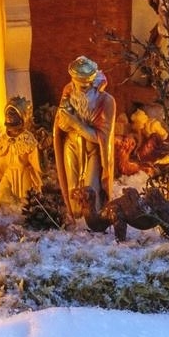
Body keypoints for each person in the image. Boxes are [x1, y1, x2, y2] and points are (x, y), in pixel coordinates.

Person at [53, 56, 117, 225]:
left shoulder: (105, 101)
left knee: (91, 191)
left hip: (93, 150)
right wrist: (65, 123)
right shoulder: (69, 91)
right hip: (72, 146)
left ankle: (93, 221)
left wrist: (75, 123)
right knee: (73, 187)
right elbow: (62, 125)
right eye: (77, 84)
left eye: (86, 85)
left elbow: (102, 137)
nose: (80, 89)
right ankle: (75, 219)